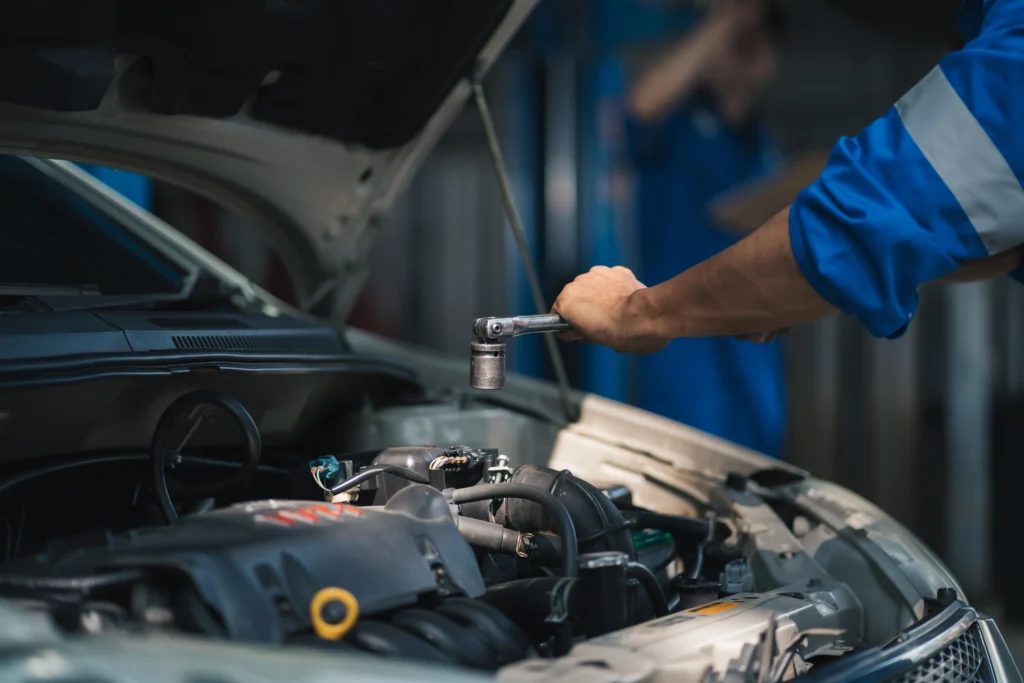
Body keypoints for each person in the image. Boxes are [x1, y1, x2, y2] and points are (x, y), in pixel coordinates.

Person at [553, 0, 1024, 365]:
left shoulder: (760, 145)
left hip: (717, 322)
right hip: (704, 332)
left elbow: (859, 228)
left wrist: (632, 314)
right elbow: (999, 246)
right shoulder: (683, 126)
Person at [624, 0, 787, 456]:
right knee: (683, 467)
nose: (744, 52)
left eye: (756, 41)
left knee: (754, 468)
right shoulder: (675, 125)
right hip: (683, 337)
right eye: (734, 42)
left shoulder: (761, 143)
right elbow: (638, 107)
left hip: (751, 338)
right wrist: (725, 21)